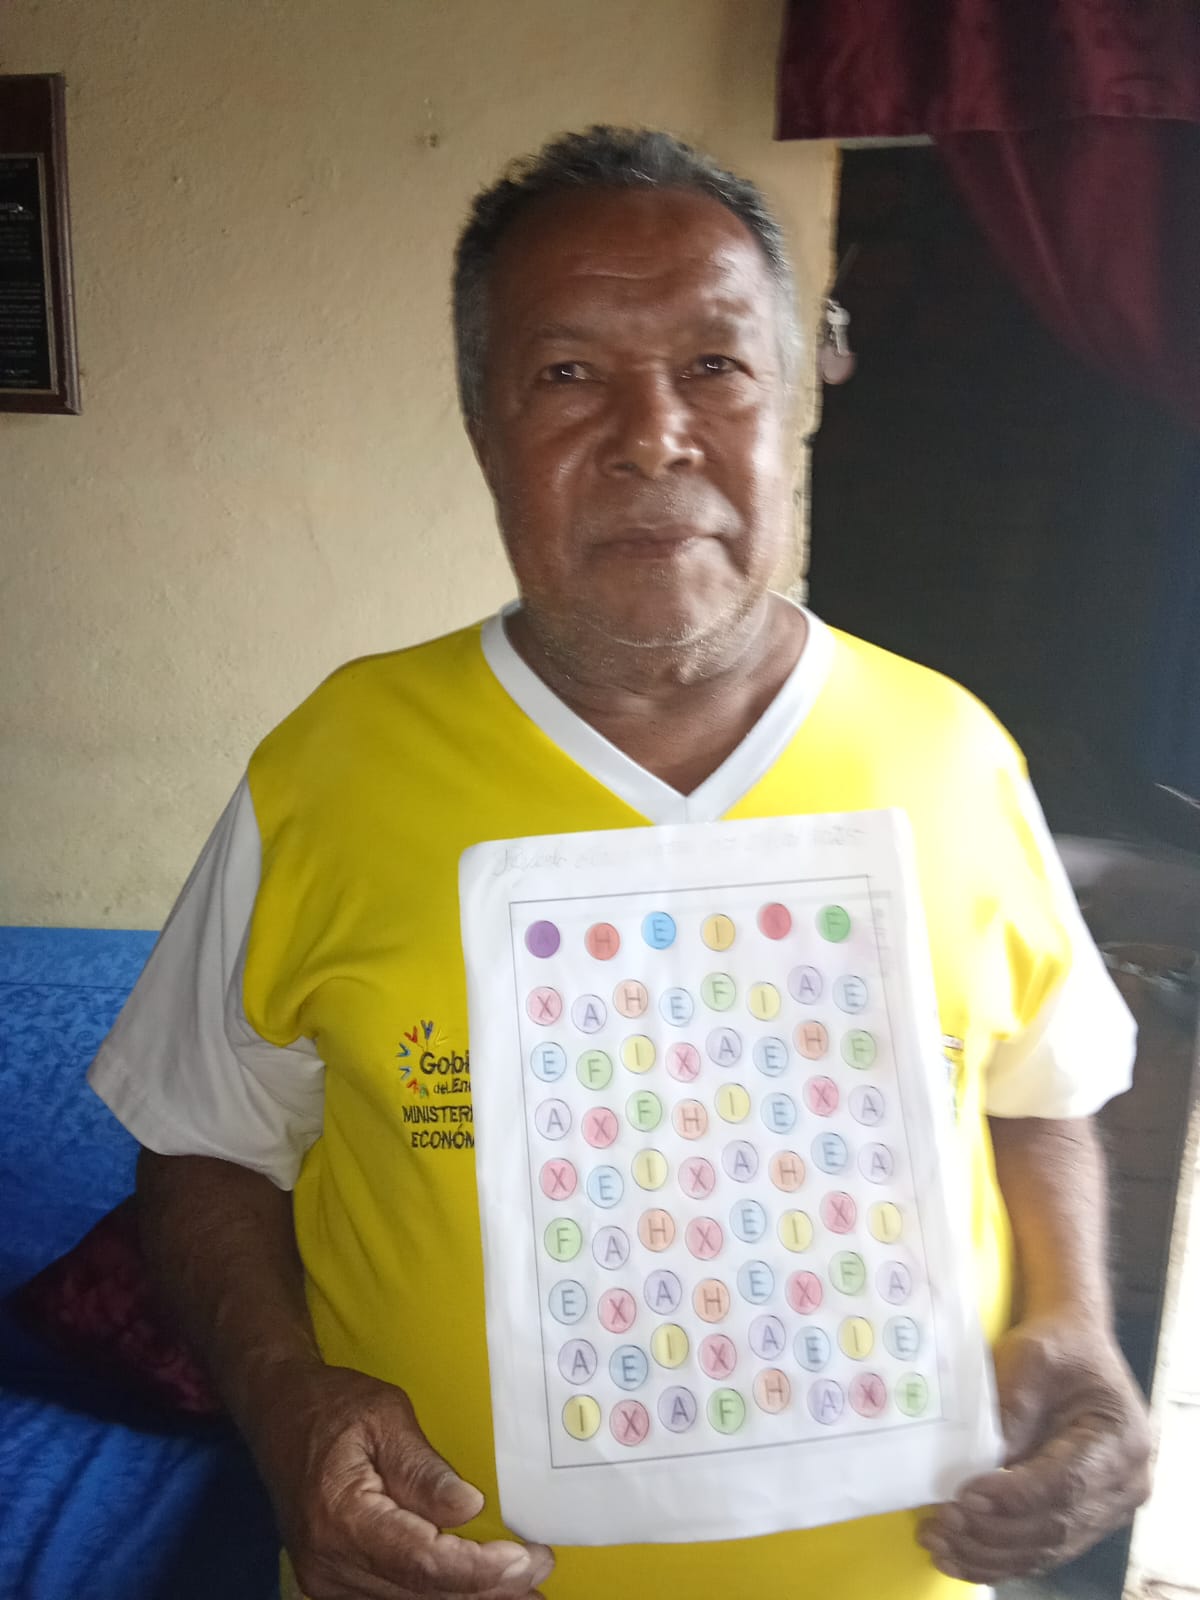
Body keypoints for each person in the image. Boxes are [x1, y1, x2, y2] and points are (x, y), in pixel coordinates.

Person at [89, 127, 1152, 1600]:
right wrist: (285, 1403)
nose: (655, 435)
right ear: (485, 428)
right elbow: (205, 1141)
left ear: (794, 402)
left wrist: (1078, 1326)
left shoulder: (953, 751)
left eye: (716, 365)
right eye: (569, 373)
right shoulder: (329, 768)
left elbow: (1038, 1089)